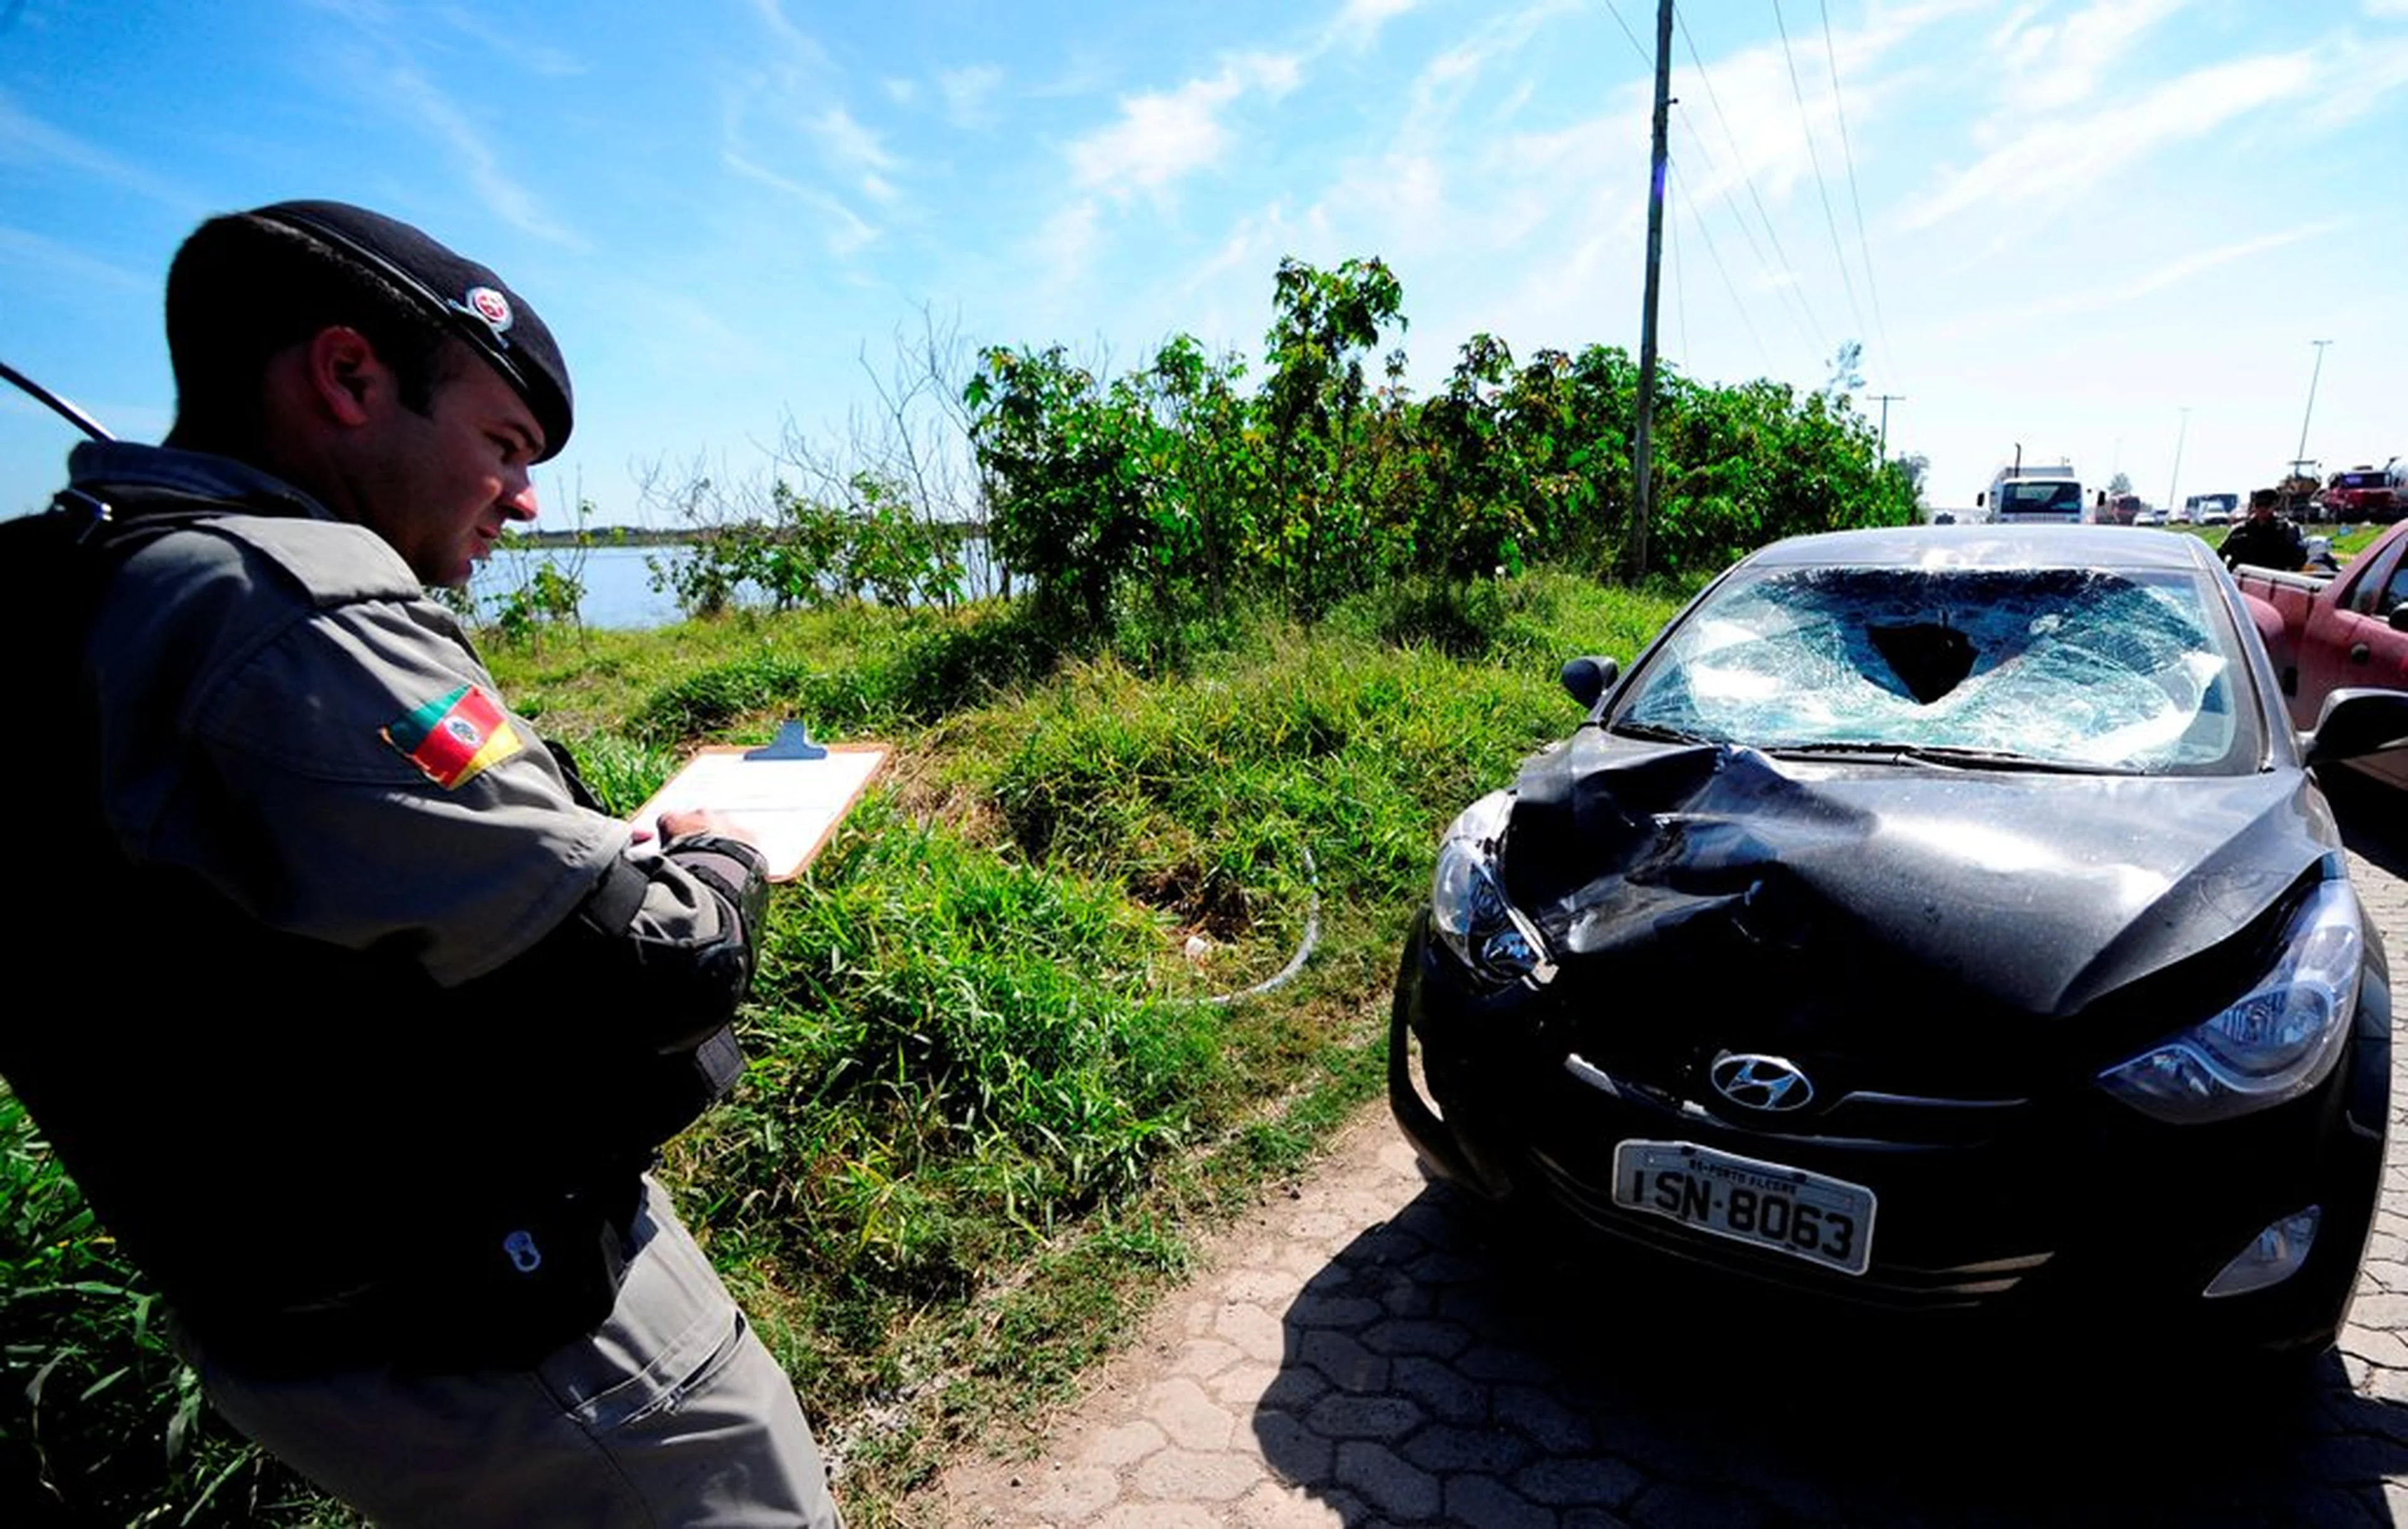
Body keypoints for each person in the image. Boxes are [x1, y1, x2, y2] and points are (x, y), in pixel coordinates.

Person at [1, 201, 841, 1526]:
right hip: (515, 1325)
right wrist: (729, 851)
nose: (527, 497)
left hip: (302, 1325)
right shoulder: (291, 604)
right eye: (504, 445)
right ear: (347, 377)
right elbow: (648, 967)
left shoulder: (86, 578)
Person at [2220, 487, 2308, 573]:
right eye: (2259, 505)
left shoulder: (2287, 530)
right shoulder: (2240, 531)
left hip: (2274, 578)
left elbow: (2298, 560)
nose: (2262, 509)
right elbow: (2221, 554)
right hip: (2245, 578)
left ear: (2275, 505)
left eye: (2266, 505)